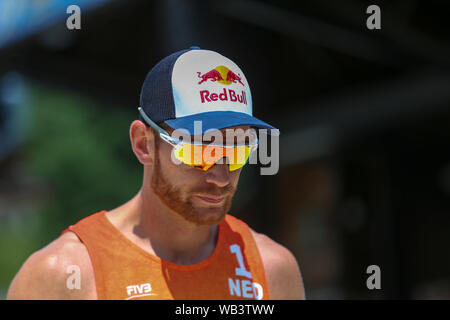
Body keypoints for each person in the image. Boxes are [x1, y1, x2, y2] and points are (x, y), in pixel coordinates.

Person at [7, 47, 305, 300]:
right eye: (201, 152)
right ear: (143, 144)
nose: (222, 178)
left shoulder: (271, 270)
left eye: (238, 152)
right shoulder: (64, 273)